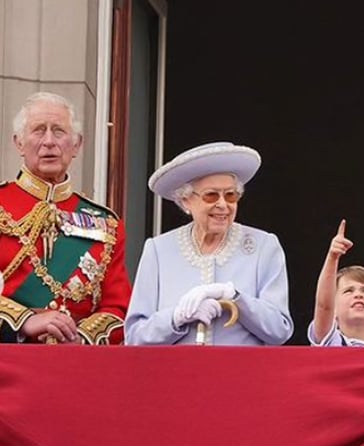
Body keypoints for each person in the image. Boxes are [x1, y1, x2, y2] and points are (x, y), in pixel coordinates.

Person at [125, 142, 294, 345]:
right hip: (176, 373)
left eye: (230, 195)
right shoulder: (158, 250)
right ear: (186, 200)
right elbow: (135, 336)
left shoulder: (263, 246)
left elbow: (279, 329)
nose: (223, 204)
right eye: (211, 195)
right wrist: (177, 317)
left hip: (242, 374)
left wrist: (233, 297)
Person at [0, 92, 131, 344]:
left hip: (73, 365)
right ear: (18, 143)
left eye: (59, 131)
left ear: (76, 145)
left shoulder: (107, 224)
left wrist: (80, 337)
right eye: (38, 130)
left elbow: (120, 309)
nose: (49, 141)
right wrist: (23, 320)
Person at [308, 219, 364, 347]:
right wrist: (332, 257)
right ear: (334, 309)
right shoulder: (330, 342)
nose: (358, 295)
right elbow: (323, 306)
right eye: (348, 291)